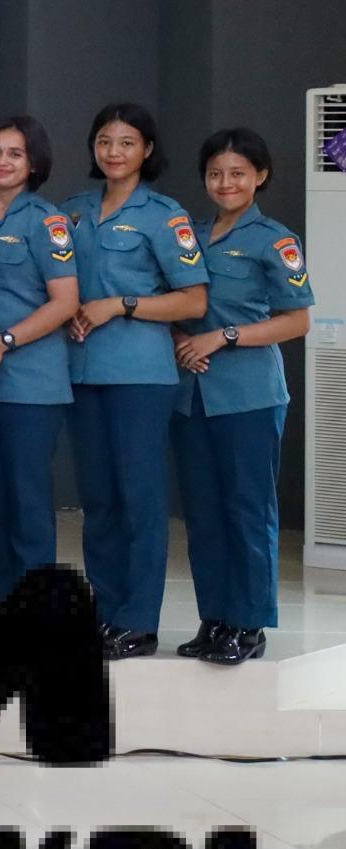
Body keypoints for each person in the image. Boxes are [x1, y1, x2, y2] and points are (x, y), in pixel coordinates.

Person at [62, 102, 210, 659]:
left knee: (139, 499)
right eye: (105, 141)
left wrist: (120, 304)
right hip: (82, 371)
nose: (114, 152)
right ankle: (105, 611)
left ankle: (139, 621)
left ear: (147, 149)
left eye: (127, 142)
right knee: (98, 500)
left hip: (140, 375)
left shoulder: (164, 215)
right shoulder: (73, 212)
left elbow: (193, 300)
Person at [172, 127, 315, 667]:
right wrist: (181, 337)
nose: (225, 183)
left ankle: (249, 624)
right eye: (215, 173)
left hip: (249, 394)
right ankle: (215, 619)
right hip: (193, 393)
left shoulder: (274, 240)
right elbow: (176, 302)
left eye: (237, 173)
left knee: (248, 510)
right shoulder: (188, 235)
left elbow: (297, 320)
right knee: (203, 513)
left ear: (261, 176)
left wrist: (223, 336)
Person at [0, 117, 80, 606]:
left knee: (28, 505)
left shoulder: (47, 222)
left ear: (33, 164)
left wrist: (3, 341)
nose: (2, 161)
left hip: (31, 383)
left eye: (15, 153)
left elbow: (65, 301)